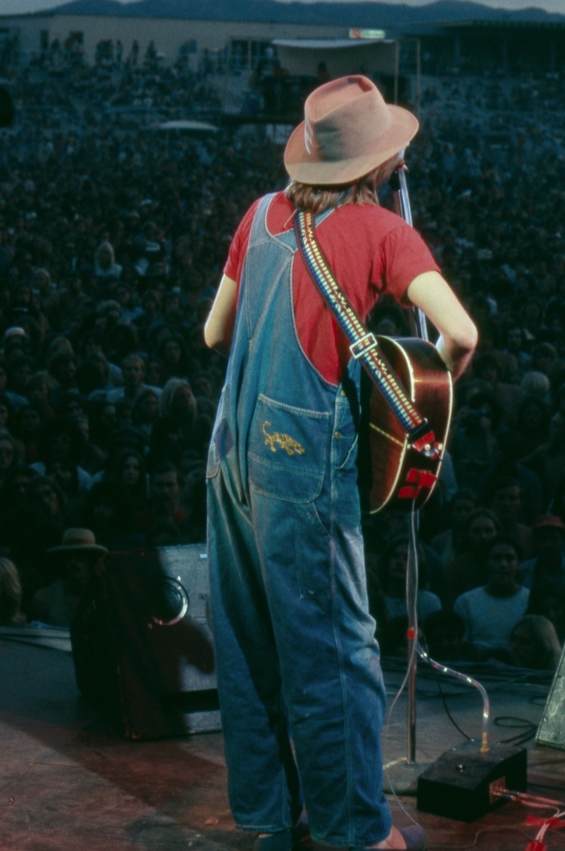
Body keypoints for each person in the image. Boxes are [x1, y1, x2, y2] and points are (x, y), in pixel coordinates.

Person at [203, 75, 477, 851]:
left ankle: (268, 818)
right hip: (300, 462)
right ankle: (356, 831)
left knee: (248, 634)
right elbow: (459, 333)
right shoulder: (384, 230)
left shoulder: (258, 213)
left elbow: (213, 335)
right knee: (335, 650)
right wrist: (418, 408)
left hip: (230, 453)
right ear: (384, 160)